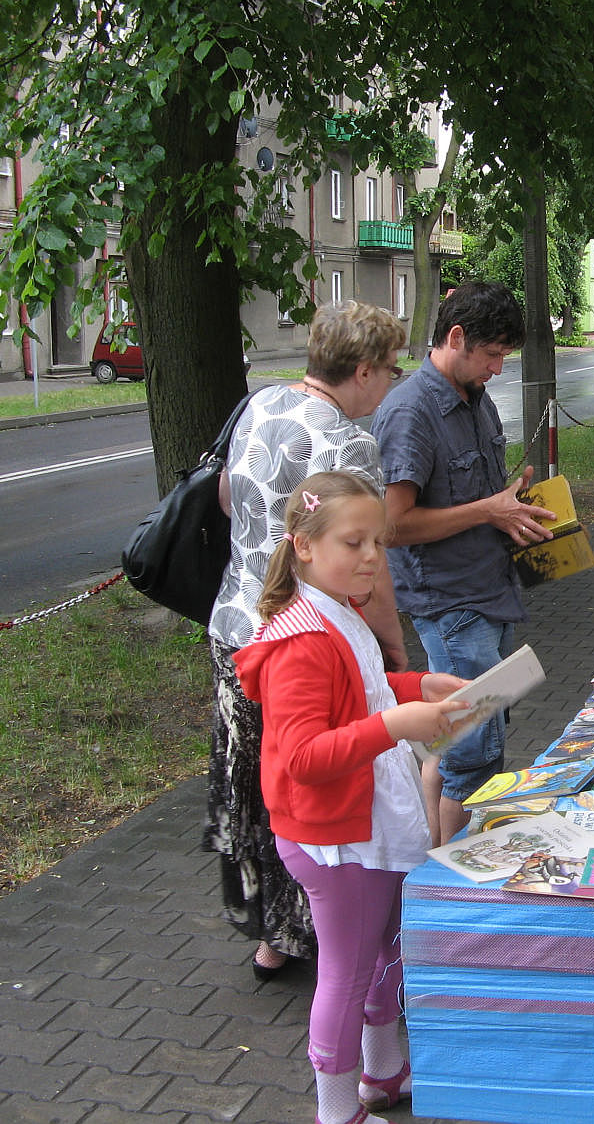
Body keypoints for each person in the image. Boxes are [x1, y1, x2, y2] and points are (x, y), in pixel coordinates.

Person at [234, 470, 469, 1124]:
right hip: (336, 835)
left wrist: (416, 684)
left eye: (377, 542)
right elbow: (306, 756)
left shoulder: (338, 608)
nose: (370, 556)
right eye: (353, 541)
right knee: (345, 969)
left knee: (382, 942)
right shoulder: (303, 641)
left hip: (361, 822)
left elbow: (363, 687)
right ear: (303, 545)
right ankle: (338, 1110)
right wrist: (396, 724)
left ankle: (383, 1069)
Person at [204, 300, 409, 982]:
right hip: (311, 638)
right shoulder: (350, 444)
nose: (390, 383)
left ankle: (271, 935)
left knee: (254, 784)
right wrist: (392, 646)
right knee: (310, 793)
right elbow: (368, 568)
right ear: (361, 370)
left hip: (238, 622)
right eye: (388, 369)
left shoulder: (258, 406)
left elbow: (232, 500)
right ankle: (325, 935)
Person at [371, 281, 554, 846]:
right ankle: (455, 882)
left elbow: (474, 500)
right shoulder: (411, 412)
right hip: (451, 603)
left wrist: (511, 509)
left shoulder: (475, 395)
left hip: (485, 591)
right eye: (493, 354)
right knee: (475, 753)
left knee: (453, 743)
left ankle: (430, 858)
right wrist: (487, 511)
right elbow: (392, 525)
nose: (498, 368)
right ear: (456, 338)